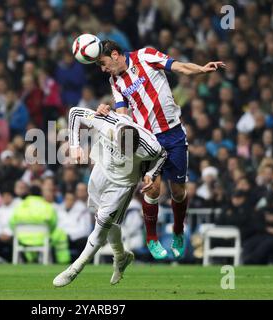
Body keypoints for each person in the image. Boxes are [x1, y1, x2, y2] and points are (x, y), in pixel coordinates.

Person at [95, 39, 225, 260]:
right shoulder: (115, 82)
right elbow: (123, 114)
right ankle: (152, 238)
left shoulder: (145, 56)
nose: (103, 69)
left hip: (173, 133)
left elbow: (180, 66)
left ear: (115, 54)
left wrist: (201, 69)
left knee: (178, 192)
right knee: (153, 190)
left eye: (104, 63)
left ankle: (178, 230)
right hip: (148, 140)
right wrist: (109, 114)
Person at [53, 106, 167, 287]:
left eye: (130, 152)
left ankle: (74, 269)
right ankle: (121, 257)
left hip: (122, 186)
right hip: (100, 173)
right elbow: (74, 112)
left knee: (103, 224)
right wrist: (74, 145)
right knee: (106, 221)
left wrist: (151, 174)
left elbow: (162, 154)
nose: (125, 154)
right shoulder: (107, 123)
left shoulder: (150, 146)